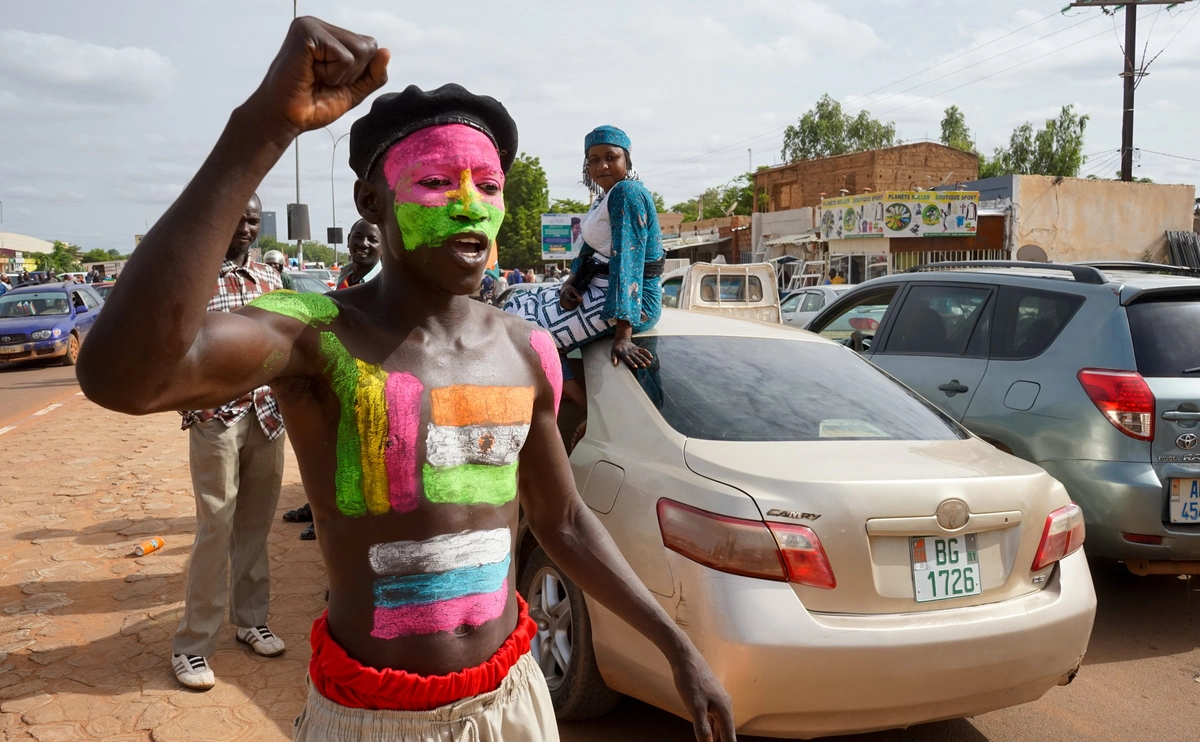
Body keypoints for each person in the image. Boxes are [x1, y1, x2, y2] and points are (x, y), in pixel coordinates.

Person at [77, 17, 734, 742]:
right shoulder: (315, 332)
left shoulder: (526, 349)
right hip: (375, 718)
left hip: (512, 705)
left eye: (488, 185)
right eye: (434, 181)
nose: (469, 204)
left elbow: (565, 521)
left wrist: (676, 646)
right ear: (371, 204)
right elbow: (124, 377)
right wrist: (261, 126)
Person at [174, 192, 289, 689]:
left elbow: (288, 340)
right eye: (237, 218)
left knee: (256, 525)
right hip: (217, 417)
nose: (245, 228)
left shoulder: (270, 278)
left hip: (268, 416)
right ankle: (193, 645)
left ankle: (251, 620)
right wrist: (191, 404)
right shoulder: (196, 277)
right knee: (215, 527)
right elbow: (174, 346)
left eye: (253, 220)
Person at [504, 125, 664, 414]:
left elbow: (627, 260)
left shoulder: (627, 193)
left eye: (610, 157)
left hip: (633, 302)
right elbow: (588, 248)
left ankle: (584, 409)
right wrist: (570, 284)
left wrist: (623, 333)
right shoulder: (605, 196)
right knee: (516, 307)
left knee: (525, 335)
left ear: (626, 160)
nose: (602, 165)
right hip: (598, 289)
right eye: (593, 159)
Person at [336, 219, 383, 288]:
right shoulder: (344, 276)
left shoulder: (387, 286)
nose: (363, 244)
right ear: (348, 240)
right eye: (358, 237)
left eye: (372, 240)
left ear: (384, 246)